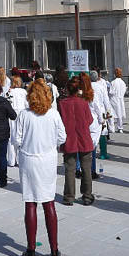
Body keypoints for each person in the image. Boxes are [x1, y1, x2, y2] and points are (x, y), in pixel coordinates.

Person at [14, 79, 66, 256]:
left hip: (29, 159)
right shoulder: (53, 115)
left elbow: (16, 140)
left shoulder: (24, 115)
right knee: (48, 201)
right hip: (47, 160)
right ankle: (54, 250)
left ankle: (31, 250)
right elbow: (62, 137)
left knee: (30, 202)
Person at [58, 76, 94, 206]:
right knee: (86, 169)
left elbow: (60, 122)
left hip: (69, 137)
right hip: (83, 136)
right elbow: (90, 120)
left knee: (69, 169)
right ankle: (87, 196)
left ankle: (69, 197)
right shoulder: (83, 102)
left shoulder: (62, 104)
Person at [6, 74, 28, 167]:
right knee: (21, 136)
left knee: (11, 137)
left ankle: (11, 160)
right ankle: (19, 159)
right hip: (21, 114)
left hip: (11, 115)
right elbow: (27, 104)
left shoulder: (9, 92)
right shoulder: (23, 92)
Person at [108, 68, 127, 133]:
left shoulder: (113, 82)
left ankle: (111, 128)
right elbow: (124, 91)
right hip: (120, 99)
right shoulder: (123, 82)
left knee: (111, 113)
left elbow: (111, 92)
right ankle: (120, 128)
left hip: (113, 99)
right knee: (120, 114)